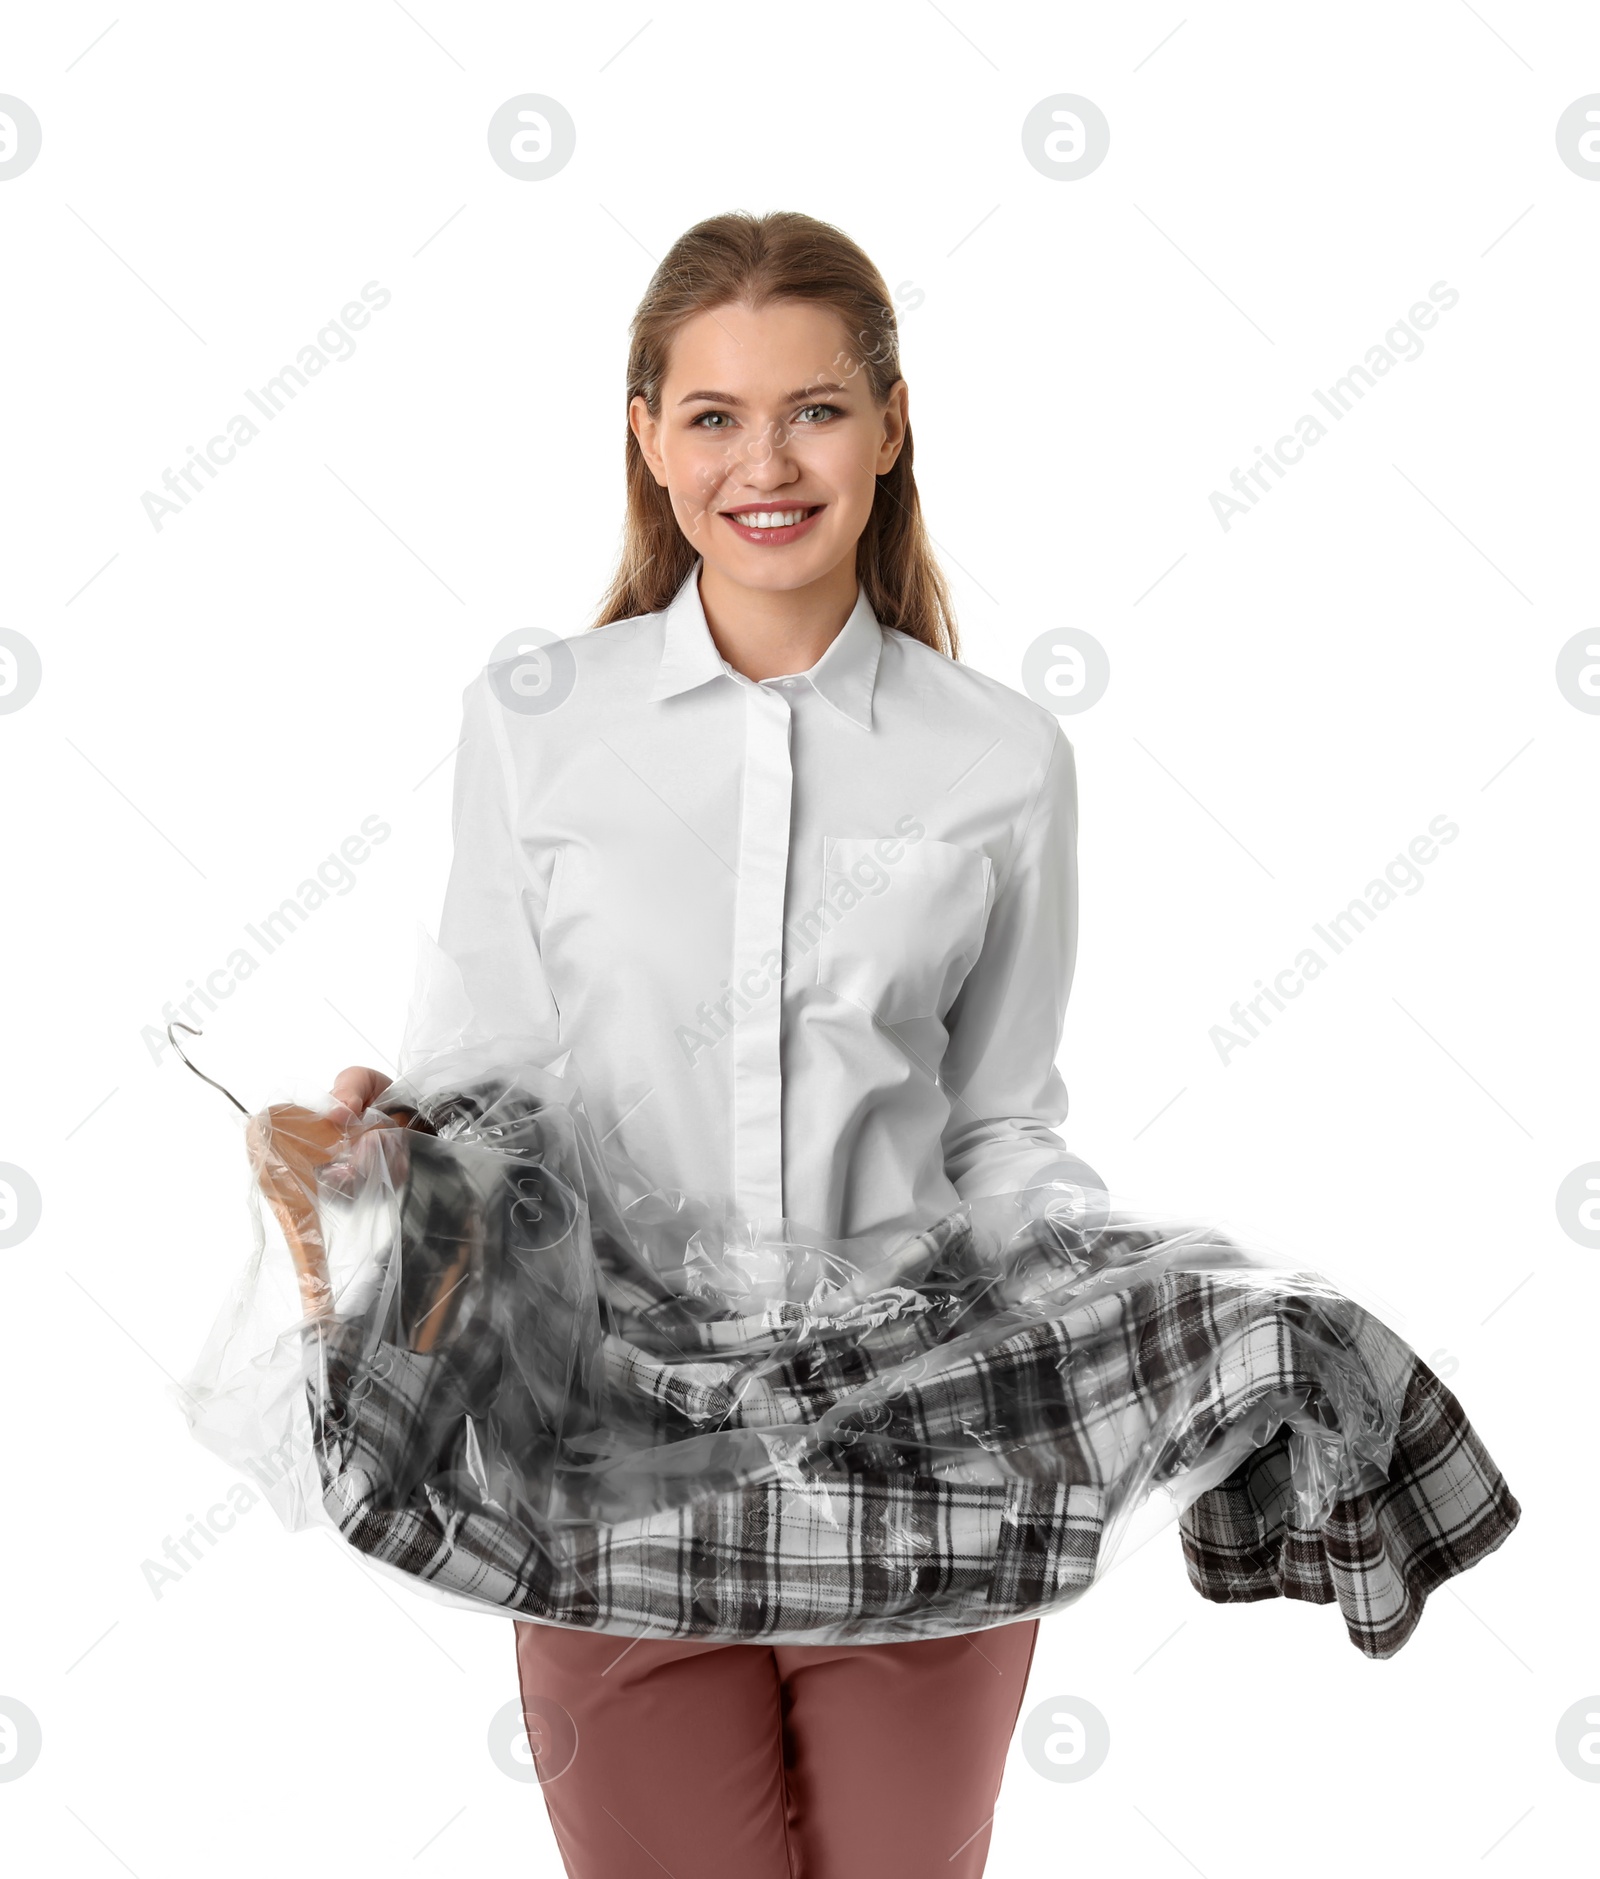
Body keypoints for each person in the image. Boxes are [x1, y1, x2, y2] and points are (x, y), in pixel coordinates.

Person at [331, 209, 1079, 1879]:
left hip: (924, 1447)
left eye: (816, 408)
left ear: (891, 429)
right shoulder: (535, 723)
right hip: (610, 1449)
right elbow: (488, 1080)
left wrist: (1113, 1295)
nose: (770, 462)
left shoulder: (1004, 761)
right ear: (648, 439)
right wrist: (386, 1151)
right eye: (715, 414)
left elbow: (1006, 1121)